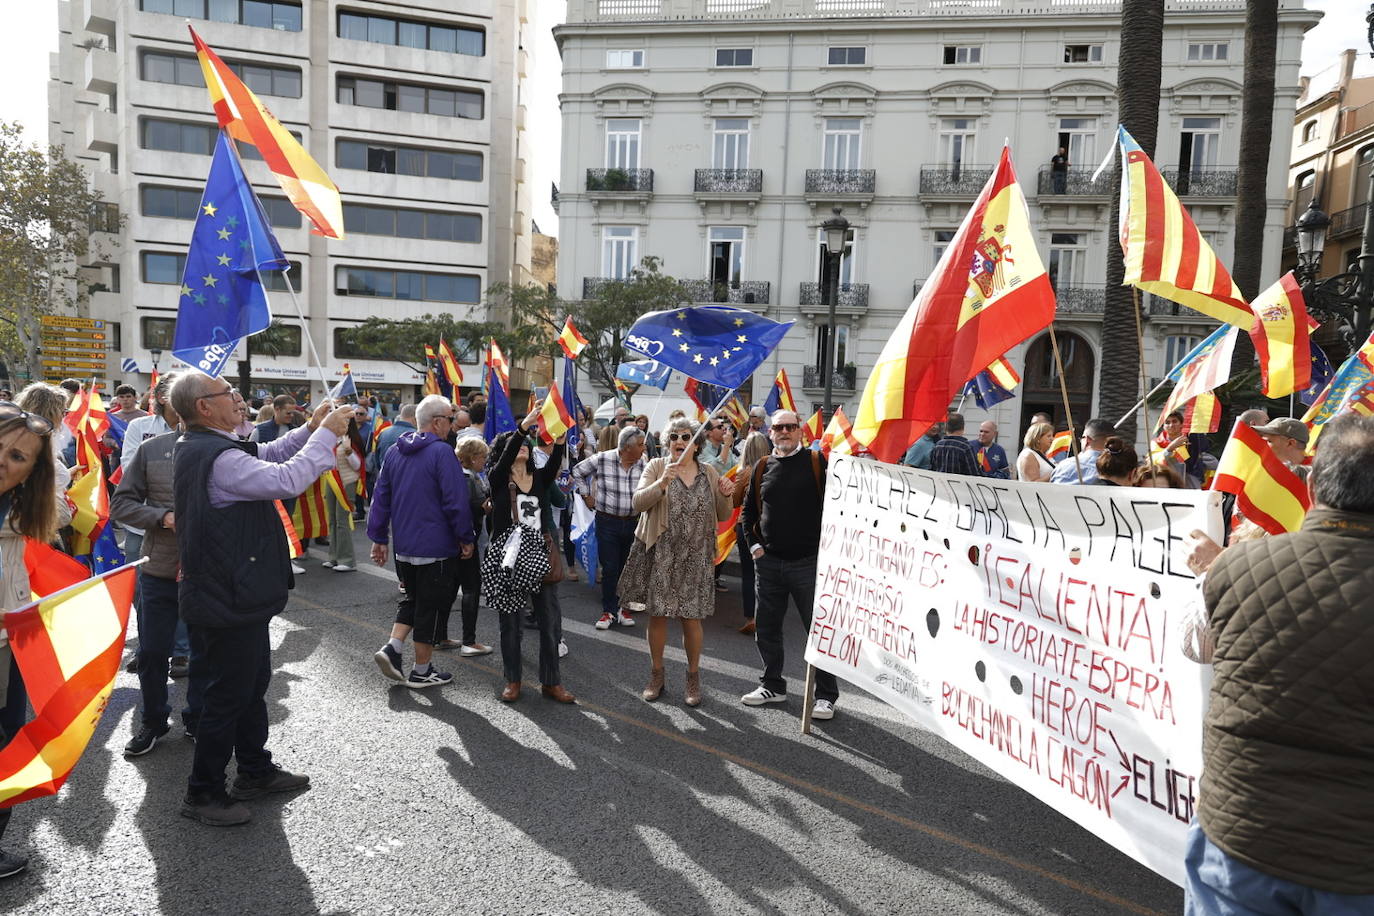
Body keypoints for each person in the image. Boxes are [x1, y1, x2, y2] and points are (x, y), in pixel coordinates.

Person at [1183, 413, 1374, 912]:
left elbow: (1195, 645)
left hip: (1238, 841)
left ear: (1311, 484)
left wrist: (1215, 569)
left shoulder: (1236, 567)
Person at [170, 374, 353, 826]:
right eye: (228, 395)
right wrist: (327, 436)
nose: (239, 399)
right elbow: (286, 479)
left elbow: (268, 453)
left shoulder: (214, 445)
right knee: (228, 696)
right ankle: (204, 793)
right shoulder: (216, 455)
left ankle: (254, 770)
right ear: (204, 408)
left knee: (249, 687)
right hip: (225, 595)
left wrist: (310, 429)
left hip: (233, 593)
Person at [620, 417, 735, 706]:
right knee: (657, 616)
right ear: (667, 442)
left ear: (697, 444)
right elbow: (638, 504)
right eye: (674, 437)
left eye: (686, 437)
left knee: (691, 618)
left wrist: (726, 494)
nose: (679, 442)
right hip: (662, 553)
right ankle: (656, 675)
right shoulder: (657, 467)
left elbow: (722, 515)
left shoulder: (708, 472)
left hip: (696, 556)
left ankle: (693, 678)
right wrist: (662, 482)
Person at [112, 407, 203, 756]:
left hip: (207, 572)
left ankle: (197, 718)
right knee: (152, 652)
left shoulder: (230, 450)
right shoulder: (152, 449)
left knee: (204, 653)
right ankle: (152, 721)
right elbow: (122, 503)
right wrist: (162, 517)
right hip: (159, 572)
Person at [367, 395, 474, 688]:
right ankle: (422, 670)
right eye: (451, 420)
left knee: (413, 600)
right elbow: (456, 501)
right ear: (438, 422)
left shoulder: (394, 452)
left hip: (405, 546)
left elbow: (381, 496)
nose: (453, 426)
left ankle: (393, 647)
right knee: (430, 607)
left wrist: (378, 536)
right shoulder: (442, 453)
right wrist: (465, 537)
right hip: (436, 545)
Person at [739, 409, 839, 720]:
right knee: (767, 629)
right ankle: (772, 685)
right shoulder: (762, 466)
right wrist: (755, 547)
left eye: (790, 427)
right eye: (779, 427)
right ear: (770, 433)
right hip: (769, 565)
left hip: (808, 565)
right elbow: (747, 515)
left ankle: (825, 696)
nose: (784, 432)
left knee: (817, 631)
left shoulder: (817, 463)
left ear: (800, 432)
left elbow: (839, 505)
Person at [0, 400, 60, 876]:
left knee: (7, 745)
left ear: (30, 474)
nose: (3, 460)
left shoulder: (26, 519)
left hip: (6, 653)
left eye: (18, 456)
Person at [484, 415, 573, 704]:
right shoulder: (498, 479)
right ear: (504, 452)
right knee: (510, 623)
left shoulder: (538, 478)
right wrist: (522, 429)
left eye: (525, 444)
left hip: (539, 553)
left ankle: (552, 682)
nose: (522, 447)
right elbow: (511, 449)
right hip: (507, 557)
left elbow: (553, 464)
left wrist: (559, 443)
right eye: (515, 444)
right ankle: (513, 680)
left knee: (548, 620)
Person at [572, 425, 647, 630]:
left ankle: (623, 610)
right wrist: (586, 494)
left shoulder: (644, 462)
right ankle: (608, 612)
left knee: (627, 569)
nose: (644, 447)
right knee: (611, 568)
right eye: (640, 445)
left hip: (633, 522)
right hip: (607, 522)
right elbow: (577, 470)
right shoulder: (603, 458)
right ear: (627, 447)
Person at [443, 437, 492, 656]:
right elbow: (472, 508)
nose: (485, 461)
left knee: (451, 588)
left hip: (451, 538)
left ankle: (440, 635)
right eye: (483, 457)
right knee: (471, 588)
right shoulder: (469, 478)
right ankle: (469, 641)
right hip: (465, 538)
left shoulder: (455, 474)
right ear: (472, 458)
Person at [732, 425, 771, 635]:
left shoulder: (744, 471)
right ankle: (767, 617)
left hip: (746, 527)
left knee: (748, 574)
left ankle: (751, 617)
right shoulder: (774, 467)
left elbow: (735, 501)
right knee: (766, 574)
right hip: (769, 527)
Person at [322, 418, 364, 572]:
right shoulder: (333, 439)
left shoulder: (351, 440)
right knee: (332, 519)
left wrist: (349, 452)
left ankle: (347, 560)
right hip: (331, 481)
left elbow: (358, 465)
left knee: (342, 521)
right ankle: (333, 557)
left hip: (346, 483)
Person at [1049, 418, 1115, 485]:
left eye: (1082, 438)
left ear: (1087, 440)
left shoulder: (1063, 466)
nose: (1080, 441)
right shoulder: (1117, 470)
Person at [929, 412, 982, 477]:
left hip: (940, 484)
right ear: (963, 427)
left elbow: (932, 469)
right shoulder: (966, 447)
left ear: (946, 427)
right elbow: (974, 474)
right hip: (959, 485)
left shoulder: (937, 445)